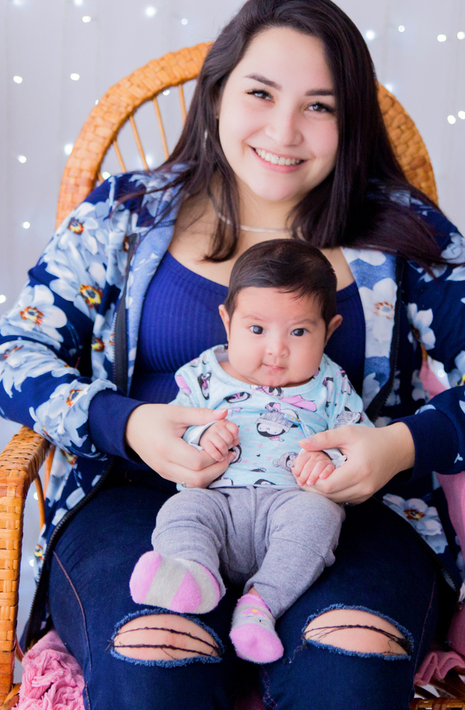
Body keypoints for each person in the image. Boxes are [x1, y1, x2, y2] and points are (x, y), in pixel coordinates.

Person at [0, 0, 465, 710]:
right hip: (141, 503)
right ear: (217, 94)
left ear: (349, 123)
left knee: (347, 671)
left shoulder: (401, 231)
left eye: (320, 105)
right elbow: (8, 359)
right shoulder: (124, 217)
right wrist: (129, 426)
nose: (285, 131)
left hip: (348, 514)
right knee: (156, 666)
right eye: (261, 93)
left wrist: (398, 446)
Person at [130, 239, 372, 665]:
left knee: (320, 518)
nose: (276, 349)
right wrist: (201, 440)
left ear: (329, 330)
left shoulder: (332, 385)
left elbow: (362, 447)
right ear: (227, 322)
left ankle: (260, 605)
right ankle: (191, 573)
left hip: (291, 505)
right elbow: (171, 438)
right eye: (257, 330)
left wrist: (329, 461)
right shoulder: (203, 376)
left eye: (299, 332)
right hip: (215, 500)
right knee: (179, 511)